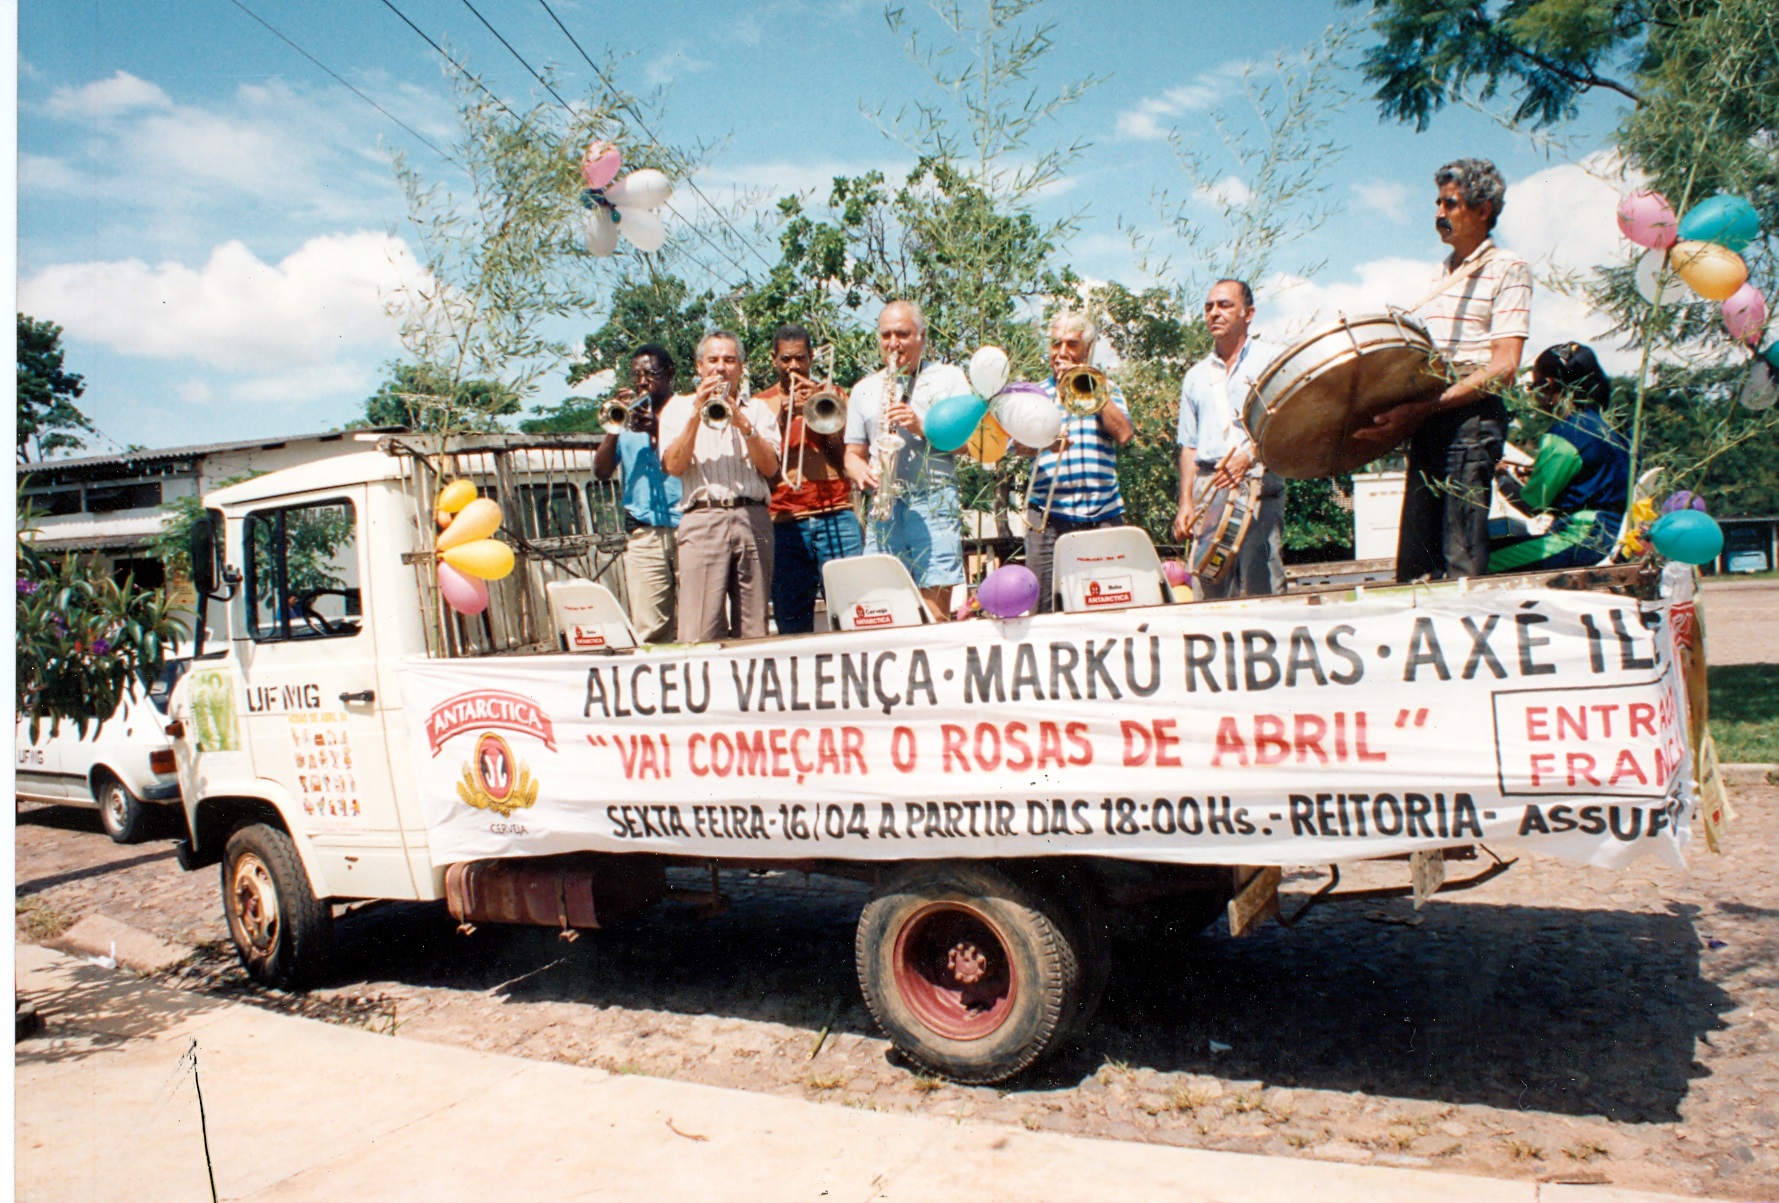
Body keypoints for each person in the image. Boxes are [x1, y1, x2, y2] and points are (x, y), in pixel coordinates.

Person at [1357, 158, 1532, 582]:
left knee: (1461, 555)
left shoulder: (1508, 267)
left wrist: (1427, 407)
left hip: (1471, 421)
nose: (1439, 213)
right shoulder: (1438, 274)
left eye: (1450, 203)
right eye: (1437, 202)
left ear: (1483, 209)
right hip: (1431, 417)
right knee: (1416, 560)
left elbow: (1505, 365)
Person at [843, 301, 970, 622]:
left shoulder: (949, 378)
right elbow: (852, 455)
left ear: (922, 337)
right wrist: (861, 474)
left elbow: (973, 445)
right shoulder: (864, 389)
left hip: (934, 500)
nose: (893, 343)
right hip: (884, 504)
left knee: (934, 613)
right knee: (883, 610)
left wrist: (922, 426)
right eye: (886, 335)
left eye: (902, 333)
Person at [658, 331, 782, 641]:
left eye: (729, 360)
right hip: (702, 519)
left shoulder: (758, 410)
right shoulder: (676, 408)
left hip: (751, 516)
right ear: (699, 367)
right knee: (699, 628)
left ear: (740, 367)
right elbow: (674, 466)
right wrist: (696, 414)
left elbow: (770, 467)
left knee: (754, 630)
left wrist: (742, 421)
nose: (721, 367)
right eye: (713, 360)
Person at [1172, 279, 1286, 598]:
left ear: (1248, 313)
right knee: (1208, 589)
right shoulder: (1195, 376)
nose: (1214, 313)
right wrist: (1186, 502)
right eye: (1209, 307)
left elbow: (1286, 421)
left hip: (1258, 480)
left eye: (1225, 305)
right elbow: (1189, 445)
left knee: (1261, 588)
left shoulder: (1272, 359)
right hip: (1208, 487)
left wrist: (1250, 454)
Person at [1019, 311, 1135, 612]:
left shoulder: (1107, 387)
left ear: (1087, 348)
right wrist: (1044, 441)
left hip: (1102, 513)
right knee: (1041, 609)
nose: (1062, 353)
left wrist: (1091, 387)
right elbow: (1016, 447)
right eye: (1056, 344)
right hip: (1047, 516)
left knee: (1109, 603)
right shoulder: (1035, 393)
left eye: (1071, 344)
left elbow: (1123, 434)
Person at [756, 324, 864, 634]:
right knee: (791, 618)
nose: (793, 367)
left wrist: (815, 416)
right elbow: (765, 467)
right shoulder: (761, 404)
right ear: (774, 359)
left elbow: (845, 458)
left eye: (800, 358)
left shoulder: (834, 394)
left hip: (836, 513)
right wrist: (782, 417)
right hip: (785, 521)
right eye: (786, 359)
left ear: (811, 357)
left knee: (852, 611)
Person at [1488, 342, 1630, 572]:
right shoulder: (1611, 432)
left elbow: (1530, 505)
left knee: (1485, 560)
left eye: (1535, 386)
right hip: (1604, 537)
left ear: (1548, 384)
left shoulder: (1566, 435)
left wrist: (1501, 473)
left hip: (1578, 539)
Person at [593, 344, 681, 642]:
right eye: (636, 375)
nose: (642, 382)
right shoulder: (628, 420)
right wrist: (615, 427)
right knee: (650, 630)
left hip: (690, 527)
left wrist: (657, 428)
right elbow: (601, 471)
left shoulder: (686, 412)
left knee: (703, 624)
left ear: (669, 374)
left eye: (650, 374)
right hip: (645, 534)